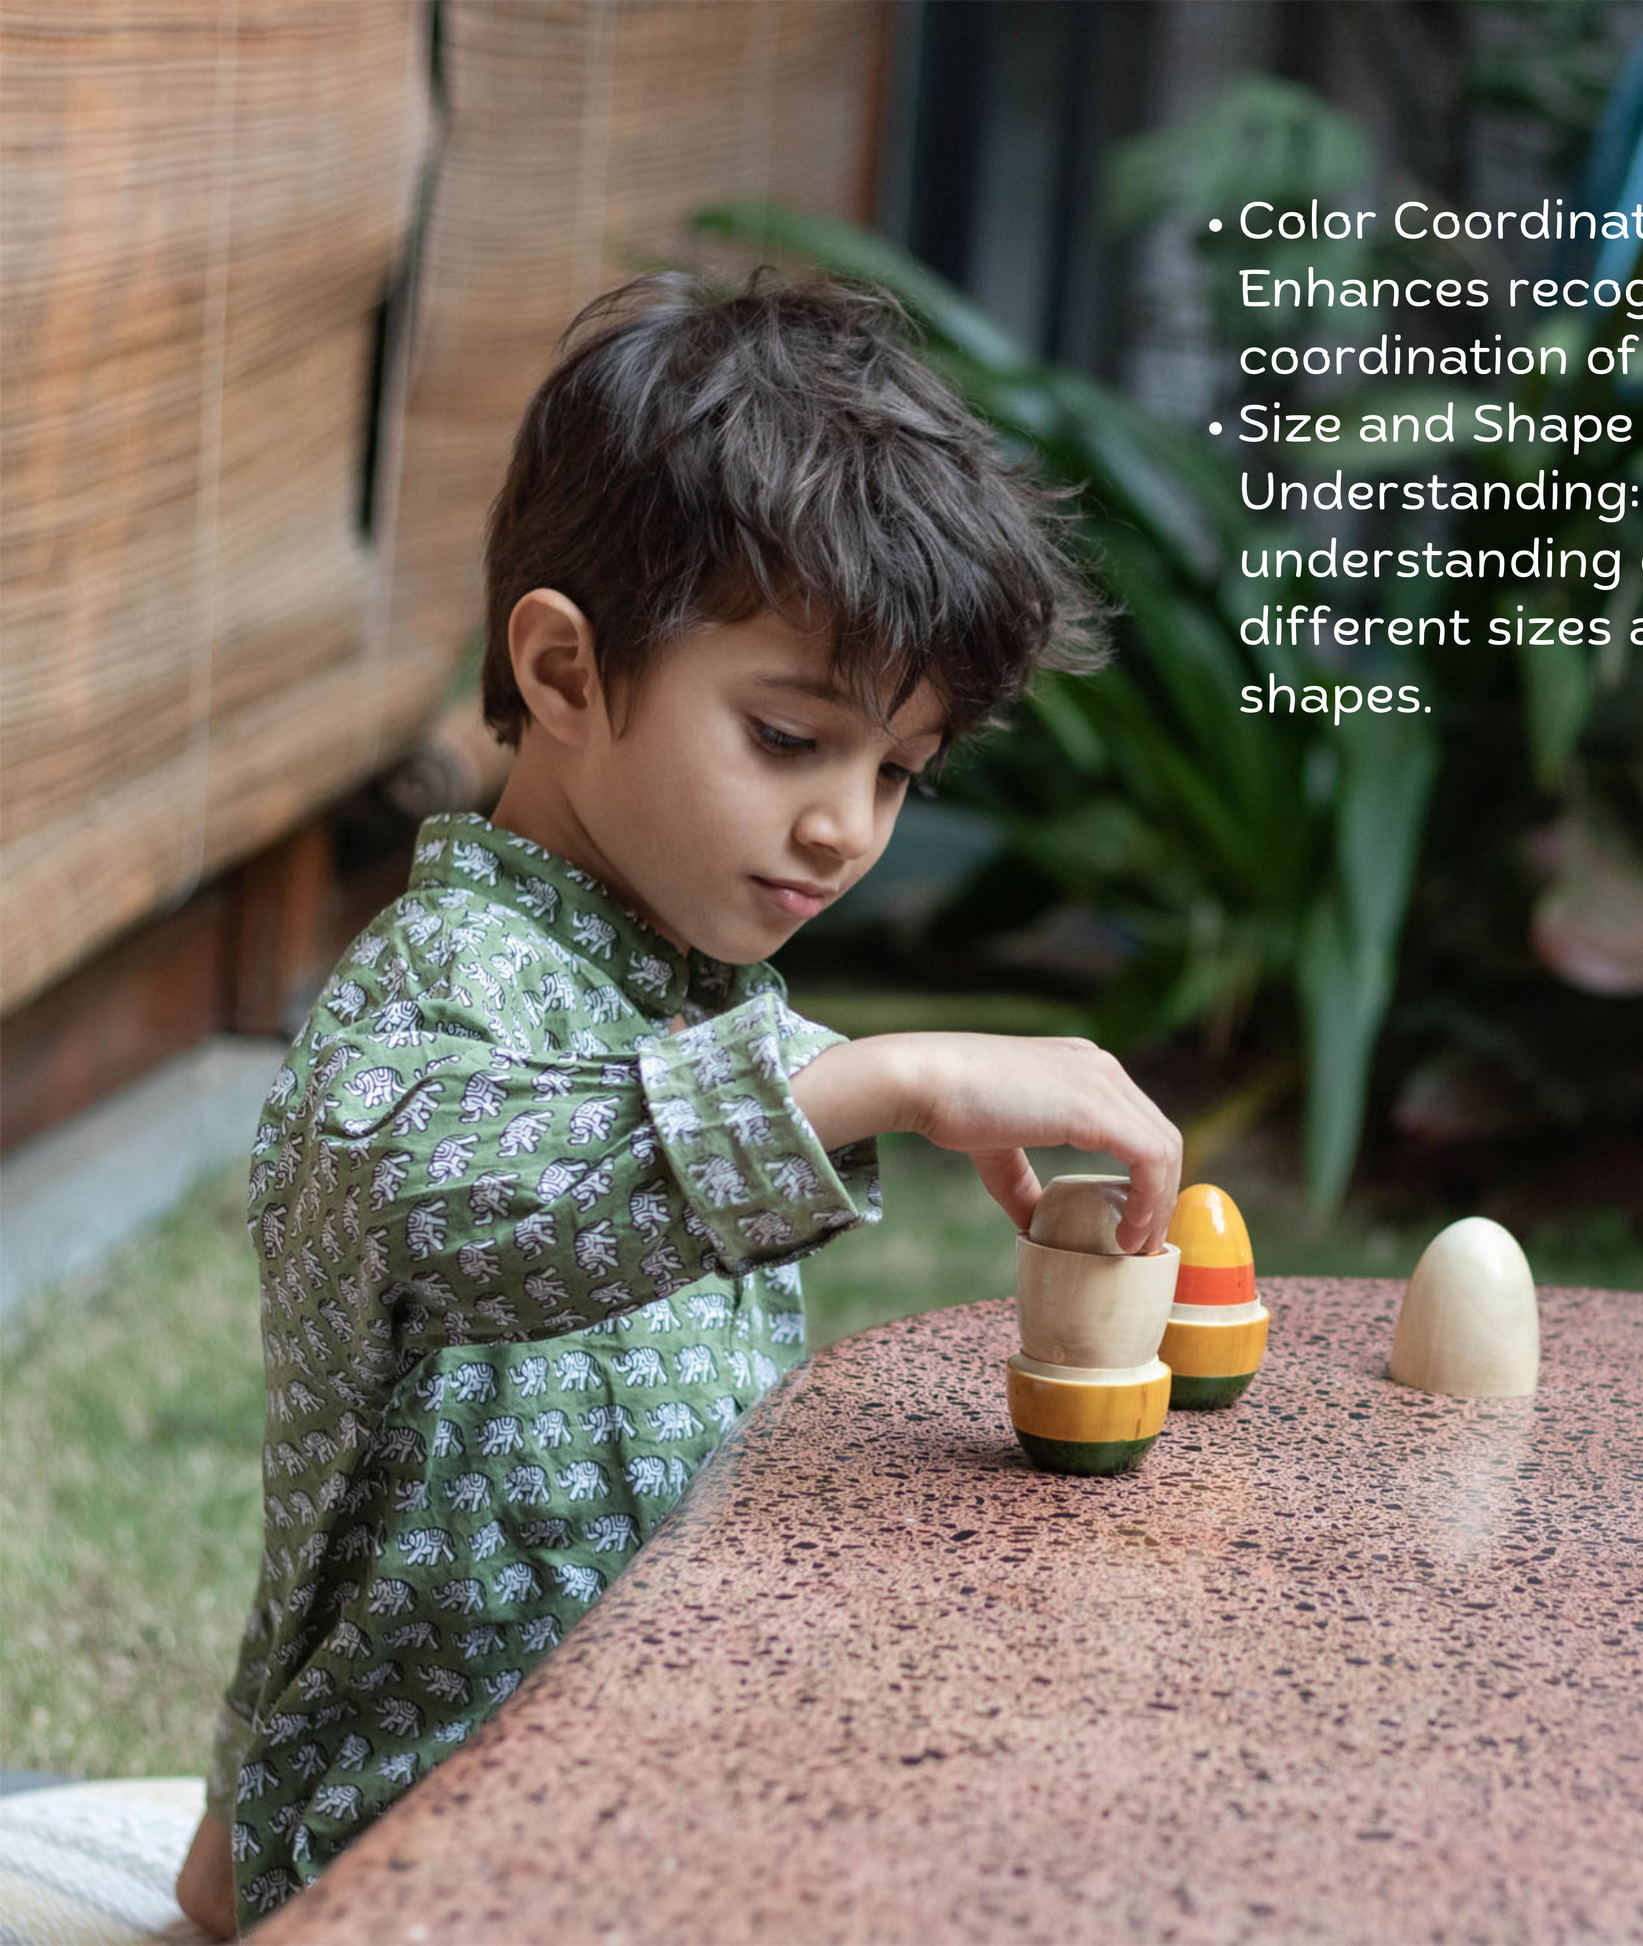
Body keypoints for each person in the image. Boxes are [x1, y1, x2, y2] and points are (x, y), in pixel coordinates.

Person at [175, 269, 1182, 1936]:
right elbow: (474, 1207)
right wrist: (886, 1077)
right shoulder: (430, 993)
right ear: (564, 671)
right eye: (789, 738)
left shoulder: (690, 987)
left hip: (639, 1797)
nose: (846, 829)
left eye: (895, 773)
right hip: (421, 1851)